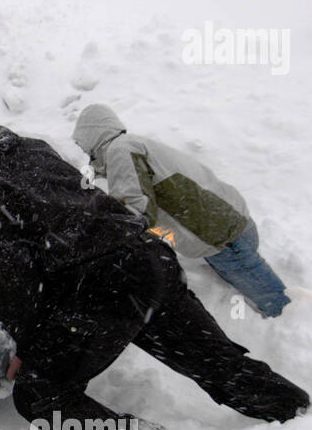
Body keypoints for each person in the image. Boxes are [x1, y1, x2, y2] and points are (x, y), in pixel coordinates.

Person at [0, 85, 309, 430]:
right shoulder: (27, 147)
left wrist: (29, 347)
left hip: (104, 286)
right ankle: (299, 415)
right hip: (150, 257)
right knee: (214, 363)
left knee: (40, 394)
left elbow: (8, 274)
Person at [72, 103, 290, 318]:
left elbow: (134, 206)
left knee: (276, 305)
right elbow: (134, 180)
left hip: (223, 240)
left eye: (82, 144)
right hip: (226, 227)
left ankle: (291, 328)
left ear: (92, 135)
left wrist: (106, 237)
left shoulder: (121, 151)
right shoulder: (131, 146)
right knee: (252, 290)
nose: (83, 150)